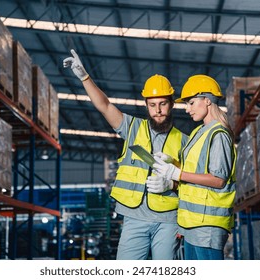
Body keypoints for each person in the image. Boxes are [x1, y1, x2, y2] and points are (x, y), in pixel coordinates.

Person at [63, 49, 188, 260]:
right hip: (134, 218)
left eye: (163, 104)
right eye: (152, 105)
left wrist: (173, 185)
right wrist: (85, 78)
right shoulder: (132, 127)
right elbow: (105, 106)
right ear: (146, 105)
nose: (158, 110)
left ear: (172, 103)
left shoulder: (185, 141)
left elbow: (192, 183)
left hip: (169, 221)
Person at [152, 74, 236, 260]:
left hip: (208, 226)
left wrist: (176, 173)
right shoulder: (199, 131)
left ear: (206, 100)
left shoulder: (218, 134)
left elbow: (218, 179)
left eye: (191, 102)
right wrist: (171, 163)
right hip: (191, 224)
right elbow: (196, 169)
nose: (187, 109)